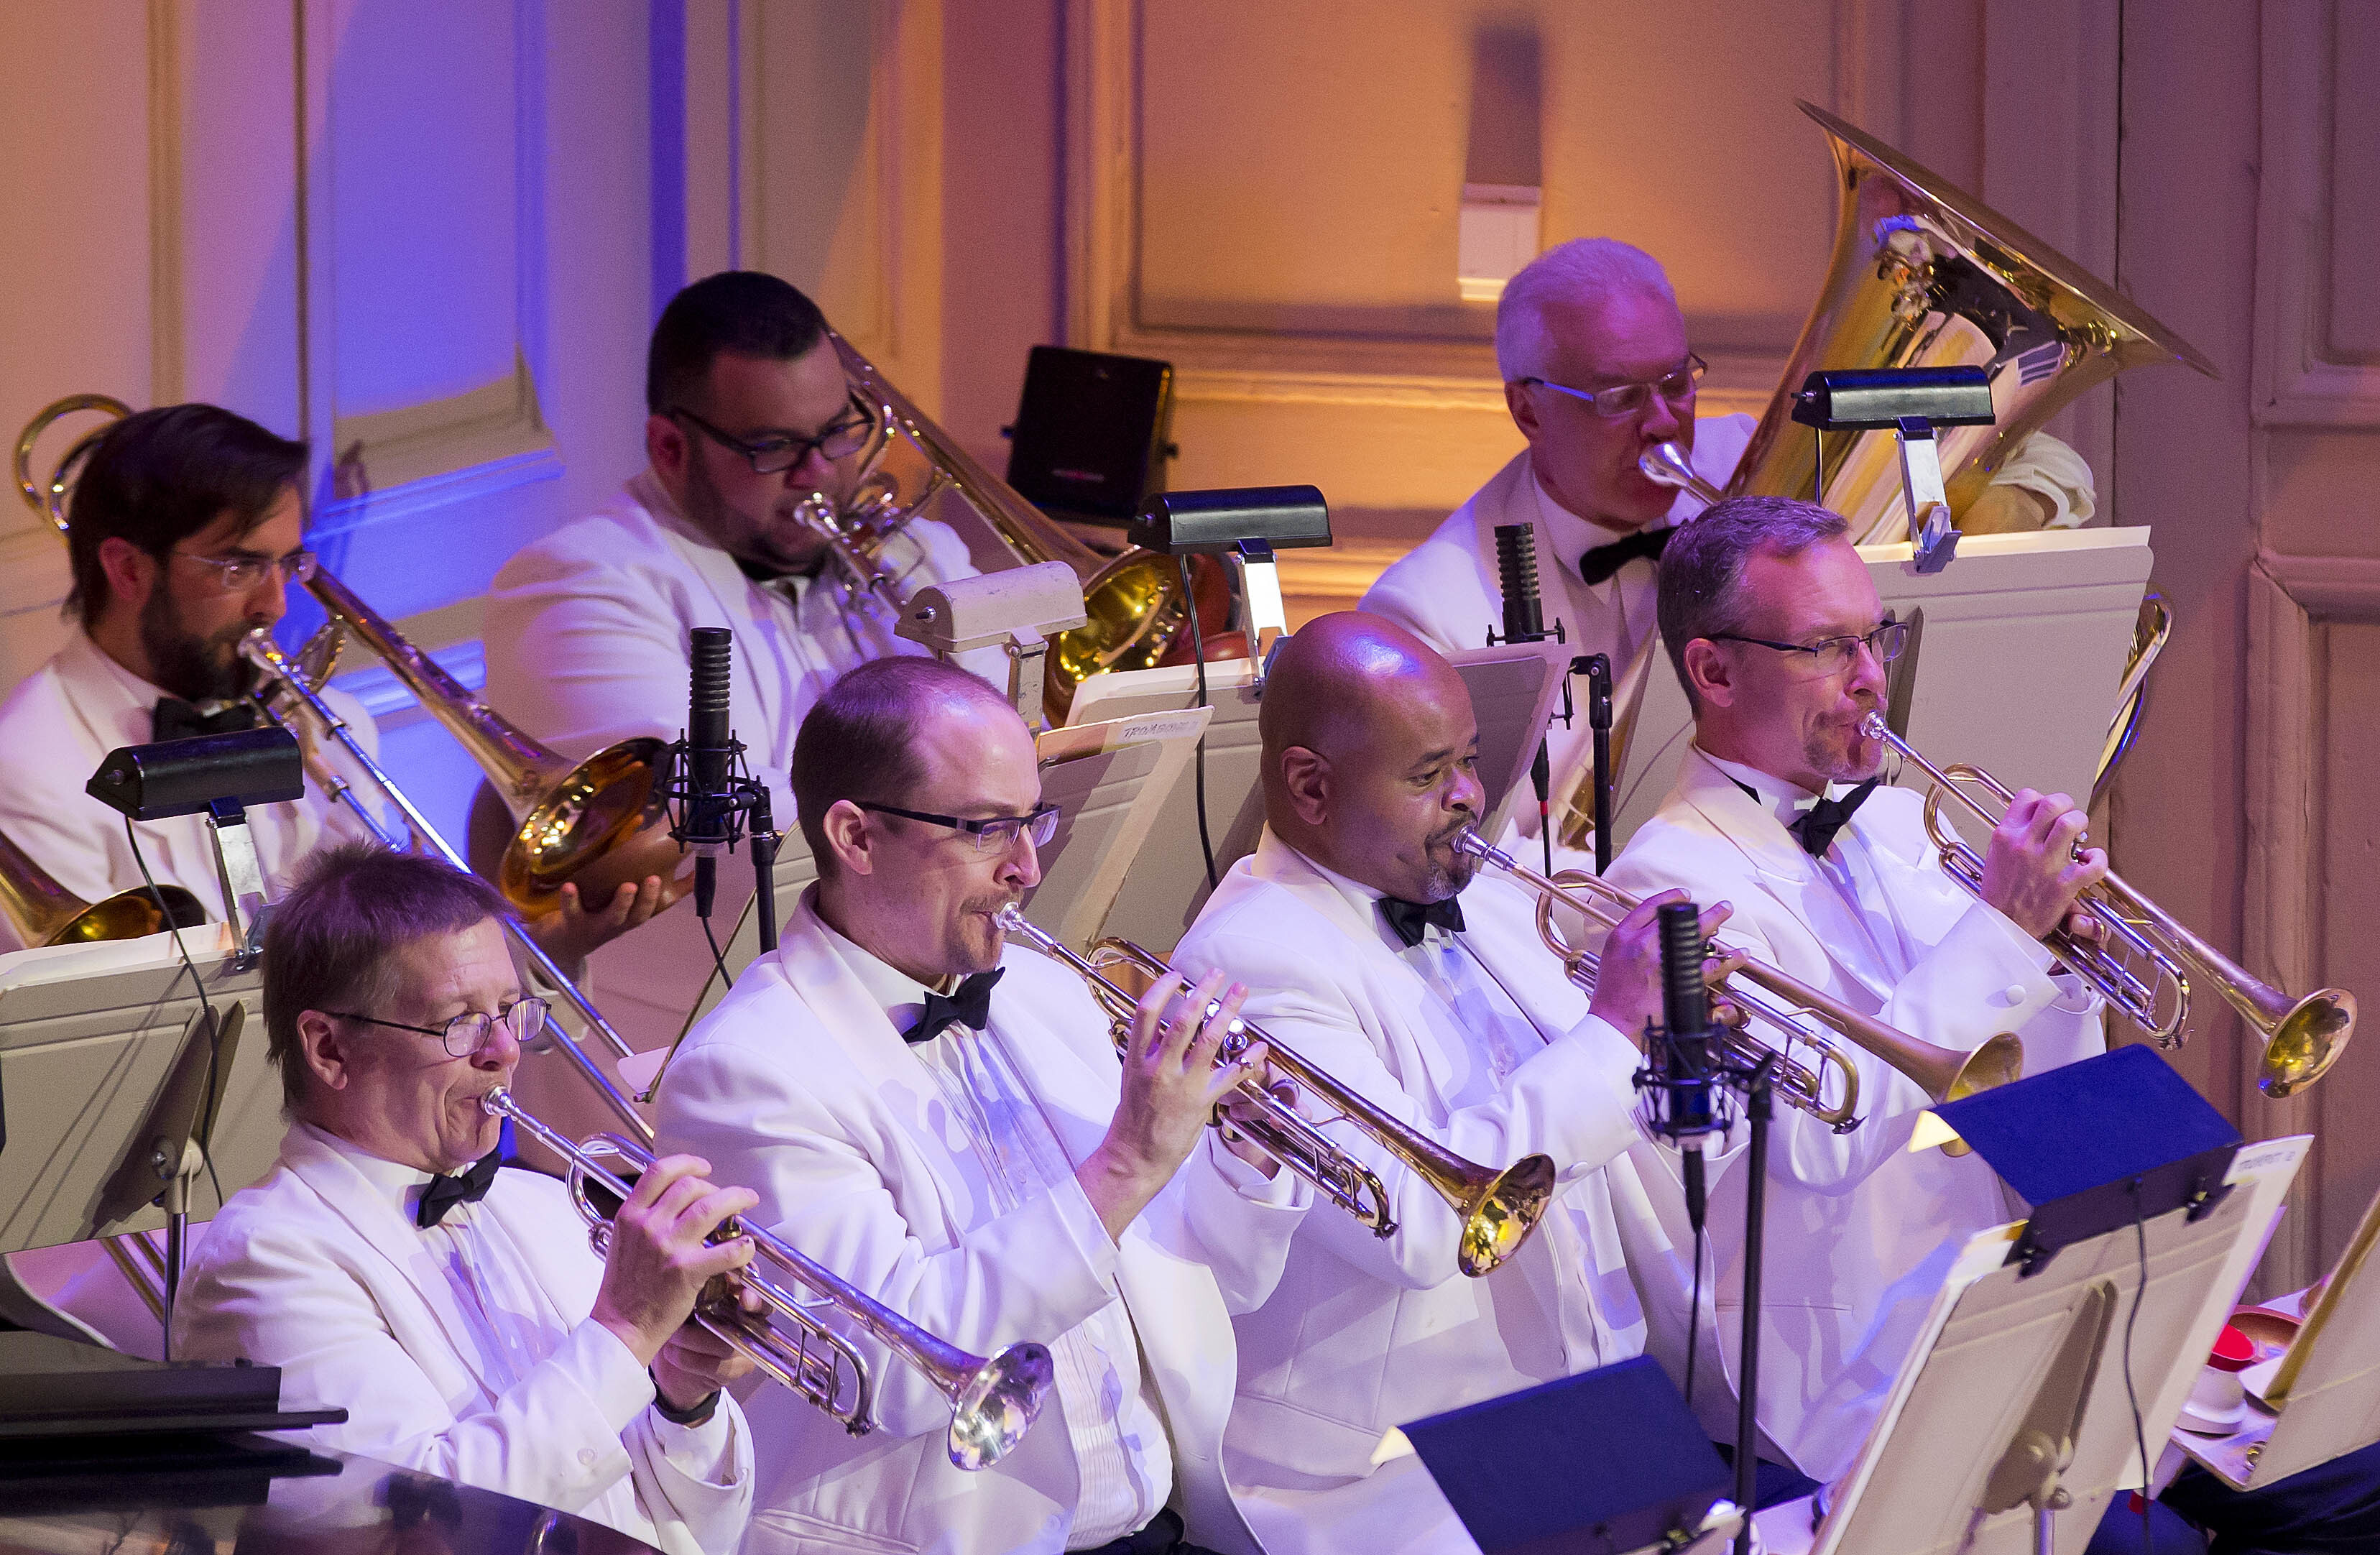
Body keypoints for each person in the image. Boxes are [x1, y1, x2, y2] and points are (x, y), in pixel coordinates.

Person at [653, 656, 1311, 1555]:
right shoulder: (745, 1073)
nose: (1030, 867)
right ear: (855, 835)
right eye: (987, 829)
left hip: (1171, 1522)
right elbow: (895, 1371)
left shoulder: (1044, 989)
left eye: (1034, 819)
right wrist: (1128, 1161)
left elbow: (1218, 1279)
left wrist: (1247, 1156)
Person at [1166, 611, 1730, 1555]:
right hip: (1387, 1477)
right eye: (1429, 776)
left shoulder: (1488, 898)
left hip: (1576, 1414)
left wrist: (1669, 1039)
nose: (1470, 796)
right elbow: (1425, 1223)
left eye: (1469, 760)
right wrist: (1612, 1033)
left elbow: (1595, 1121)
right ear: (1311, 786)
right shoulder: (1248, 963)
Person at [1603, 494, 2111, 1482]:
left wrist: (2059, 964)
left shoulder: (1896, 821)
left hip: (1982, 1310)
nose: (1874, 679)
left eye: (1877, 637)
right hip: (1833, 1384)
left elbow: (2027, 1090)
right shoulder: (1666, 890)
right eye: (1828, 649)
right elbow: (1818, 1134)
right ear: (1713, 669)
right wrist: (2002, 933)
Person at [1360, 238, 2095, 854]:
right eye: (1619, 398)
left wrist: (1986, 514)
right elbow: (1474, 859)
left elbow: (2055, 467)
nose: (1663, 423)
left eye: (1677, 381)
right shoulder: (1430, 614)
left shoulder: (1748, 463)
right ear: (1528, 408)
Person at [172, 845, 757, 1555]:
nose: (505, 1051)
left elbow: (699, 1529)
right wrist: (628, 1329)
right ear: (330, 1049)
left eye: (511, 1012)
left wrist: (682, 1394)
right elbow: (421, 1525)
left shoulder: (545, 1206)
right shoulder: (265, 1259)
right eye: (460, 1023)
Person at [0, 402, 662, 965]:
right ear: (127, 569)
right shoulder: (29, 768)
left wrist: (534, 953)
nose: (275, 606)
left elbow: (397, 970)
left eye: (286, 564)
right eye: (238, 568)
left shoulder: (331, 729)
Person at [483, 270, 990, 833]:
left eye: (839, 431)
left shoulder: (920, 555)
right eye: (775, 447)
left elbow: (1024, 743)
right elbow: (714, 823)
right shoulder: (573, 586)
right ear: (671, 449)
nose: (819, 472)